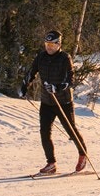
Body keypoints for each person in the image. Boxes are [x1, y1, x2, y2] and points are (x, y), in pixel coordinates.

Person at [22, 29, 87, 175]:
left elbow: (70, 80)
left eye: (52, 45)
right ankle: (51, 163)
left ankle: (83, 154)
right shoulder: (41, 57)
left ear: (59, 45)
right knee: (44, 132)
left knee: (71, 130)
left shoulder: (65, 58)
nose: (49, 48)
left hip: (63, 101)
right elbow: (31, 73)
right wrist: (24, 86)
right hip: (46, 101)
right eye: (47, 44)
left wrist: (57, 87)